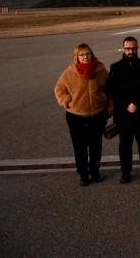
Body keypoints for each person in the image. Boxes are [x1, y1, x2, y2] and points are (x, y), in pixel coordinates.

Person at [54, 44, 110, 186]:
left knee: (96, 145)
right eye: (82, 55)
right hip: (76, 115)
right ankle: (83, 174)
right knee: (79, 146)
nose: (85, 57)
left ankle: (95, 171)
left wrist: (109, 106)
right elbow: (59, 90)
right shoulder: (69, 73)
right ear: (76, 57)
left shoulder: (101, 71)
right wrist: (66, 101)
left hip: (97, 114)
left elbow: (110, 89)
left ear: (92, 54)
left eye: (88, 54)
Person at [106, 37, 140, 184]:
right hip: (123, 113)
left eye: (133, 48)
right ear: (123, 49)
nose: (130, 51)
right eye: (128, 48)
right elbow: (112, 90)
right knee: (125, 144)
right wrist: (127, 104)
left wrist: (137, 104)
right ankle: (125, 172)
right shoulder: (115, 68)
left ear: (137, 48)